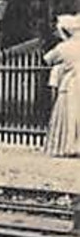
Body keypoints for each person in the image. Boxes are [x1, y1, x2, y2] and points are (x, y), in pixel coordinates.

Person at [44, 14, 80, 158]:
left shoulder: (63, 47)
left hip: (70, 82)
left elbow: (47, 59)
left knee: (68, 112)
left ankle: (66, 145)